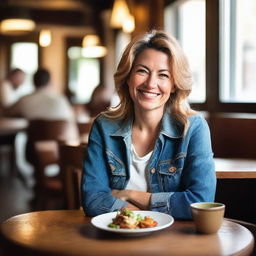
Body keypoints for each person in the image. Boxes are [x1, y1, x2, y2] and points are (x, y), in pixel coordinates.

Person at [81, 30, 216, 219]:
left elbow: (201, 202)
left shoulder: (194, 128)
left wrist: (131, 195)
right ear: (128, 76)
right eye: (142, 71)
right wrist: (143, 218)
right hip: (115, 237)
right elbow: (93, 199)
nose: (151, 83)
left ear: (174, 84)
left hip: (173, 241)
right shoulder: (104, 127)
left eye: (163, 75)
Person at [4, 68, 75, 120]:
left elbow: (7, 113)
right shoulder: (61, 99)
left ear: (33, 82)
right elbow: (71, 118)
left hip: (33, 139)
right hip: (59, 139)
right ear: (50, 82)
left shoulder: (24, 100)